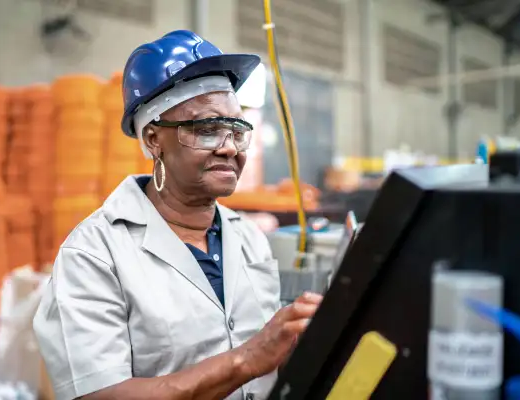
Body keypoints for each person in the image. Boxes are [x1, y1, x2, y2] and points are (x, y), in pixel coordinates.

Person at [33, 30, 322, 400]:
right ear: (154, 139)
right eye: (207, 130)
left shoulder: (248, 239)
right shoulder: (95, 254)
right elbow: (99, 394)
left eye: (237, 130)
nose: (229, 148)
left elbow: (267, 367)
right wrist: (246, 360)